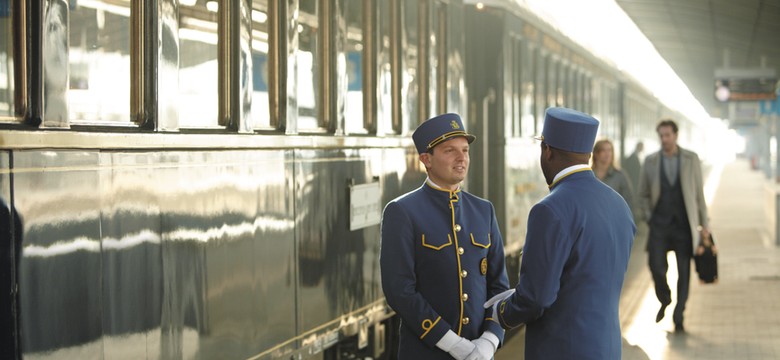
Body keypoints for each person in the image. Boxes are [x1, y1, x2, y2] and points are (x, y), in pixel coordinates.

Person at [485, 107, 635, 359]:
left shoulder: (549, 210)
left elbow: (537, 298)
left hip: (563, 350)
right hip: (606, 348)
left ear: (547, 151)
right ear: (589, 154)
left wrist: (498, 313)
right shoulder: (618, 203)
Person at [380, 113, 510, 360]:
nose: (462, 157)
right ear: (426, 159)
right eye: (450, 150)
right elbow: (400, 290)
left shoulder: (484, 210)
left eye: (465, 150)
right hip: (427, 353)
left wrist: (489, 341)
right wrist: (452, 344)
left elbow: (499, 288)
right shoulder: (402, 212)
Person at [637, 119, 710, 332]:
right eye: (661, 135)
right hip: (659, 224)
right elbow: (642, 194)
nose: (664, 139)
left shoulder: (690, 159)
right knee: (656, 266)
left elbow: (699, 195)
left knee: (684, 271)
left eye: (668, 135)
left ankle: (679, 313)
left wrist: (704, 224)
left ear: (675, 135)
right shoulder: (650, 162)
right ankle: (665, 298)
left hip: (684, 226)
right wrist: (648, 216)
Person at [592, 139, 634, 210]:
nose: (607, 154)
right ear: (596, 153)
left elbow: (628, 200)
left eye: (609, 150)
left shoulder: (619, 175)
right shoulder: (589, 174)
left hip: (613, 216)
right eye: (603, 150)